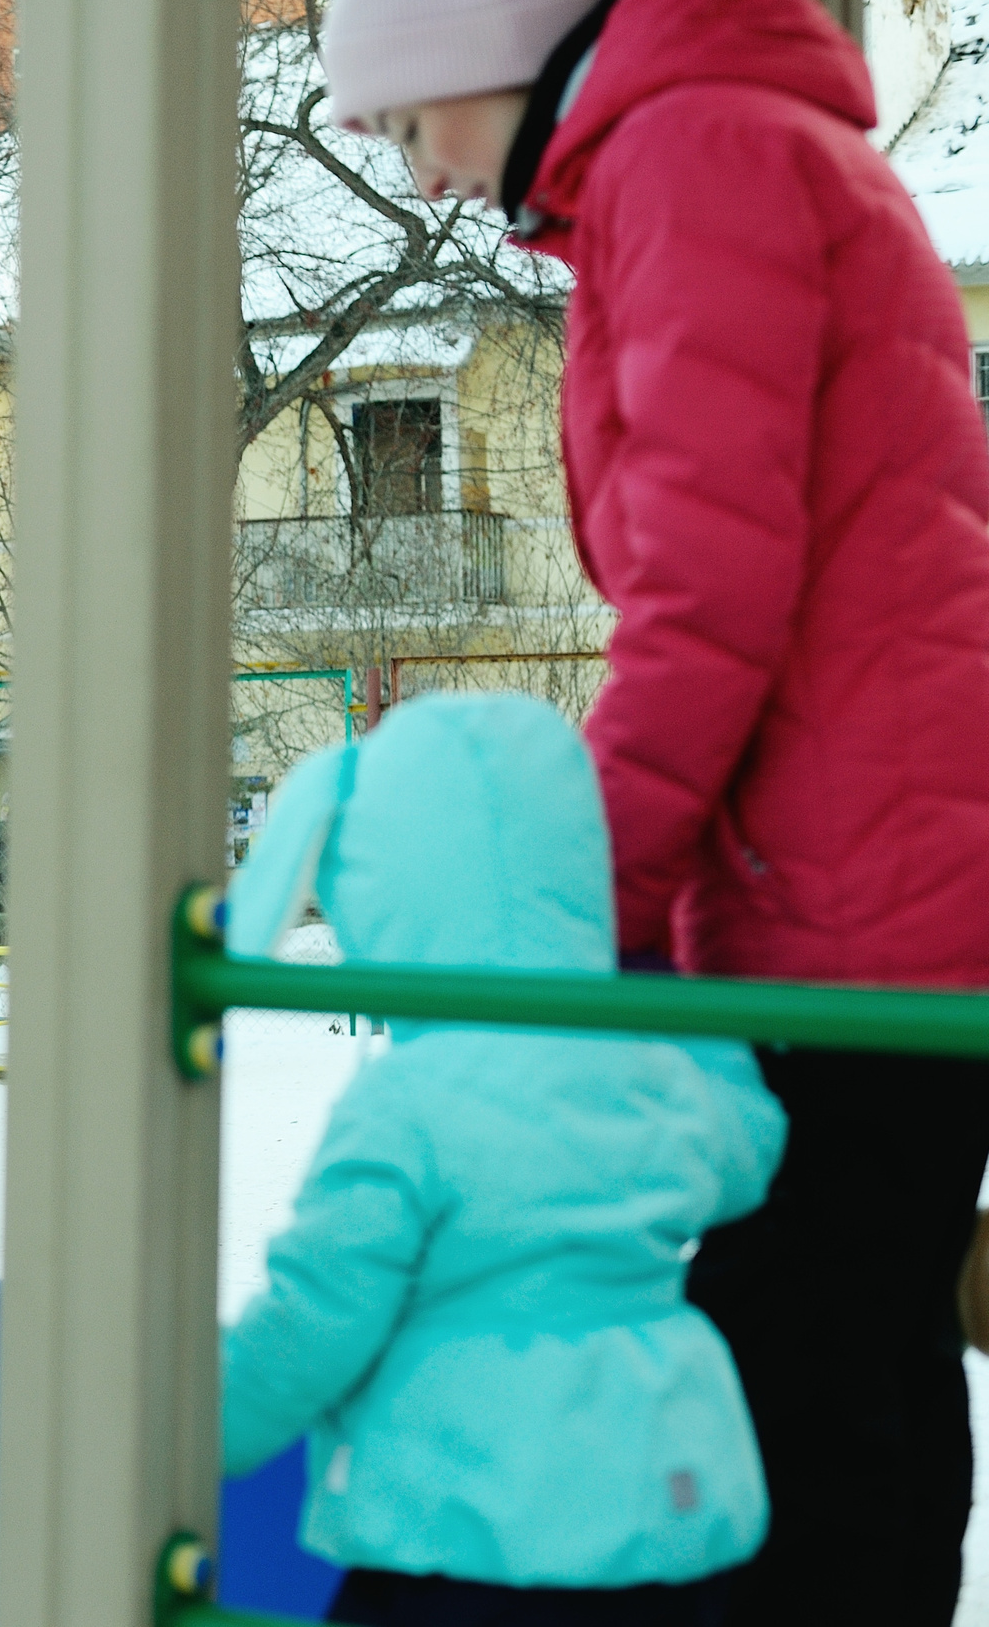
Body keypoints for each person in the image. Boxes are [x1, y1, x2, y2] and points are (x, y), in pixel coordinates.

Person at [321, 0, 989, 1619]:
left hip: (859, 885)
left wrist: (576, 898)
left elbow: (706, 594)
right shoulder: (697, 153)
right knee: (862, 1344)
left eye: (412, 122)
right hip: (872, 861)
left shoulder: (694, 157)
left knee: (790, 1361)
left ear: (490, 51)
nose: (431, 168)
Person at [222, 694, 786, 1627]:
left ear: (386, 894)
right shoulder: (649, 1065)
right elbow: (747, 1146)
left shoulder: (406, 1103)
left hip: (459, 1517)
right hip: (665, 1498)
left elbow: (318, 1318)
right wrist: (692, 1008)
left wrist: (188, 1426)